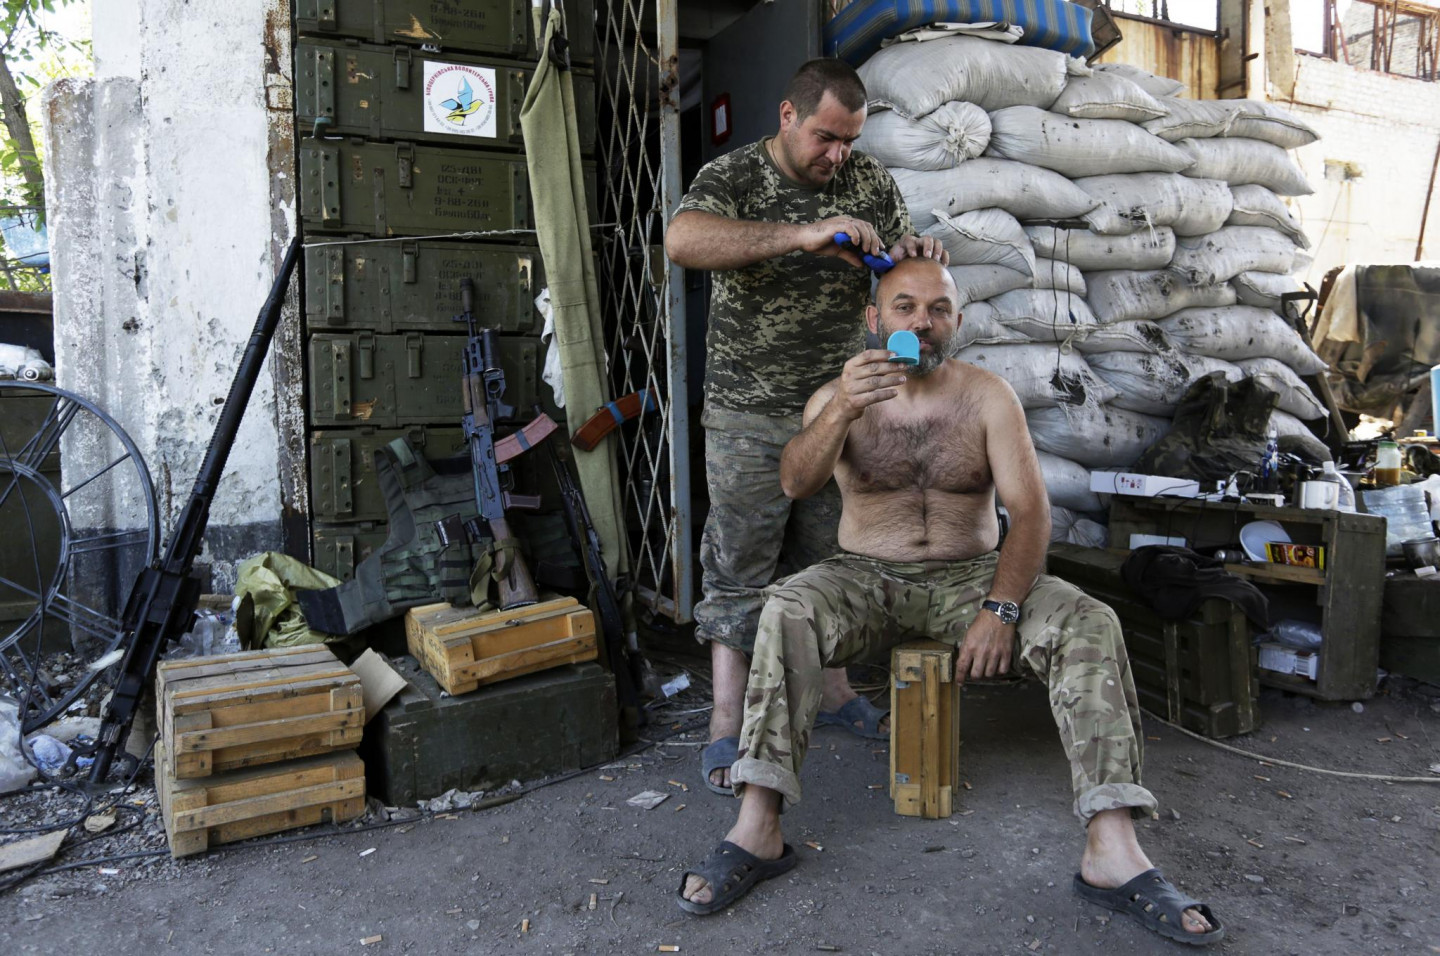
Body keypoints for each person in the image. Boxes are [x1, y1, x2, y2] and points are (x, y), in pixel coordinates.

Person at [673, 257, 1225, 947]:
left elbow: (1032, 514)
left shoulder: (987, 397)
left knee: (1091, 620)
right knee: (787, 607)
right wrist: (842, 407)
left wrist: (1001, 608)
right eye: (904, 307)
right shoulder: (837, 397)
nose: (922, 322)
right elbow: (795, 482)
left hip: (972, 578)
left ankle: (1112, 848)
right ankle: (758, 826)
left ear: (957, 322)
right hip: (866, 576)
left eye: (938, 309)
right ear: (875, 320)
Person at [665, 58, 947, 794]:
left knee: (832, 556)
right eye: (826, 137)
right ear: (788, 117)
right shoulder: (734, 175)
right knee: (740, 565)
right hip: (747, 410)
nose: (838, 155)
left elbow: (894, 272)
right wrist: (801, 235)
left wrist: (912, 258)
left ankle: (834, 691)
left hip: (839, 404)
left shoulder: (869, 181)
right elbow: (684, 241)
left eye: (849, 140)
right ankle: (726, 722)